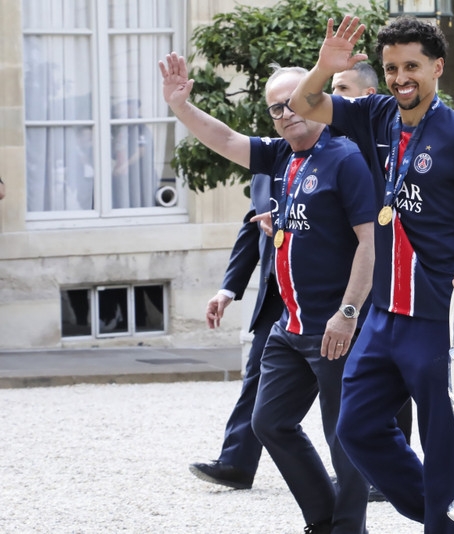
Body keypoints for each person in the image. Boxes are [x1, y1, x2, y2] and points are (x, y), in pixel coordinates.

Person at [288, 15, 454, 534]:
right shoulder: (375, 115)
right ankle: (449, 516)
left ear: (437, 67)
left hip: (437, 315)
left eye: (411, 65)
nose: (400, 77)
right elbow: (302, 106)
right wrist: (325, 66)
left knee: (445, 450)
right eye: (391, 67)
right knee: (355, 427)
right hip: (383, 315)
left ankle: (449, 519)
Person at [160, 57, 375, 534]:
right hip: (289, 327)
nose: (287, 112)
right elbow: (226, 139)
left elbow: (369, 242)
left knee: (345, 437)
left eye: (295, 101)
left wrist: (348, 312)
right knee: (270, 422)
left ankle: (347, 527)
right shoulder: (281, 155)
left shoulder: (346, 157)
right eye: (277, 108)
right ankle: (323, 518)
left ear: (318, 100)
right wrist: (181, 106)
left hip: (334, 327)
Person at [331, 61, 415, 453]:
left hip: (393, 273)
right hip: (353, 273)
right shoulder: (331, 144)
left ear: (367, 96)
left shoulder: (379, 136)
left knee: (399, 374)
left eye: (342, 88)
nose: (333, 98)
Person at [188, 174, 284, 491]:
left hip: (329, 298)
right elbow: (251, 231)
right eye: (278, 118)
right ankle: (237, 464)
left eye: (293, 117)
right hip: (276, 300)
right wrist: (227, 291)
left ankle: (371, 471)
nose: (286, 120)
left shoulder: (342, 156)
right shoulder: (265, 170)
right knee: (256, 376)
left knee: (349, 385)